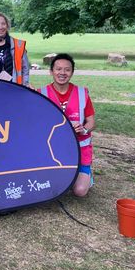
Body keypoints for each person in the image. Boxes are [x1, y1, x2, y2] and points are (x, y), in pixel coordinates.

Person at [38, 53, 96, 197]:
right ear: (51, 71)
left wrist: (84, 129)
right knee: (49, 187)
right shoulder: (41, 93)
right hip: (53, 150)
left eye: (67, 69)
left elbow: (92, 122)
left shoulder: (82, 93)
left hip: (79, 150)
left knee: (80, 191)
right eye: (58, 69)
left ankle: (86, 174)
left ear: (72, 72)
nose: (62, 73)